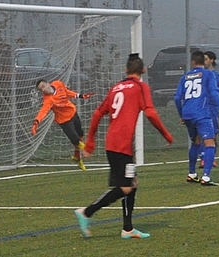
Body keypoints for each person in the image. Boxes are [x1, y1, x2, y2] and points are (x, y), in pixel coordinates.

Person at [73, 53, 174, 239]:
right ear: (143, 70)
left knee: (132, 183)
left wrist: (90, 142)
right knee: (127, 187)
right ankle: (87, 212)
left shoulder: (116, 88)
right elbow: (150, 113)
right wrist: (166, 135)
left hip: (113, 143)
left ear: (126, 70)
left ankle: (127, 228)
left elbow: (97, 113)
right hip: (121, 145)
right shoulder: (140, 87)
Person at [175, 51, 219, 186]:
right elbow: (214, 93)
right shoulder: (208, 74)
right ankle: (206, 176)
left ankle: (191, 173)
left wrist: (181, 114)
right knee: (210, 143)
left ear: (192, 62)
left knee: (196, 142)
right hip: (202, 113)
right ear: (203, 61)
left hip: (188, 113)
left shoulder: (185, 77)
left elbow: (177, 97)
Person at [32, 79, 94, 171]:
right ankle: (86, 150)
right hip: (64, 120)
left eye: (44, 86)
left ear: (48, 83)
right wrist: (36, 122)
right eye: (41, 90)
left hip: (73, 112)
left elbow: (67, 92)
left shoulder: (58, 84)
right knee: (75, 139)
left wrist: (80, 96)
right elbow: (43, 111)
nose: (44, 90)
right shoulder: (48, 100)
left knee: (80, 135)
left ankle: (77, 158)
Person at [199, 51, 219, 168]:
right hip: (200, 108)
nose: (204, 61)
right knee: (202, 135)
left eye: (206, 59)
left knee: (213, 135)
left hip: (212, 108)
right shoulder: (199, 75)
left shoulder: (218, 77)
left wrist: (215, 88)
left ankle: (211, 158)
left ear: (212, 60)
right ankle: (203, 158)